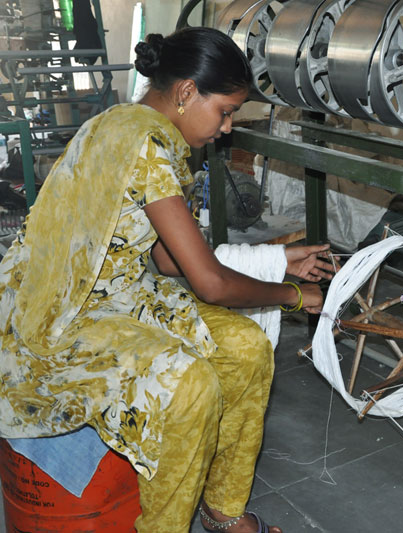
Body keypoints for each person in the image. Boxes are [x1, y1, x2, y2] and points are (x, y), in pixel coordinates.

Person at [0, 27, 333, 532]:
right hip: (61, 316)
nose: (225, 129)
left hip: (116, 296)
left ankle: (223, 510)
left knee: (244, 348)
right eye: (224, 112)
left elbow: (171, 259)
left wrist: (276, 258)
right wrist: (291, 295)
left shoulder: (121, 124)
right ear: (185, 93)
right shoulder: (146, 142)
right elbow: (210, 286)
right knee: (187, 385)